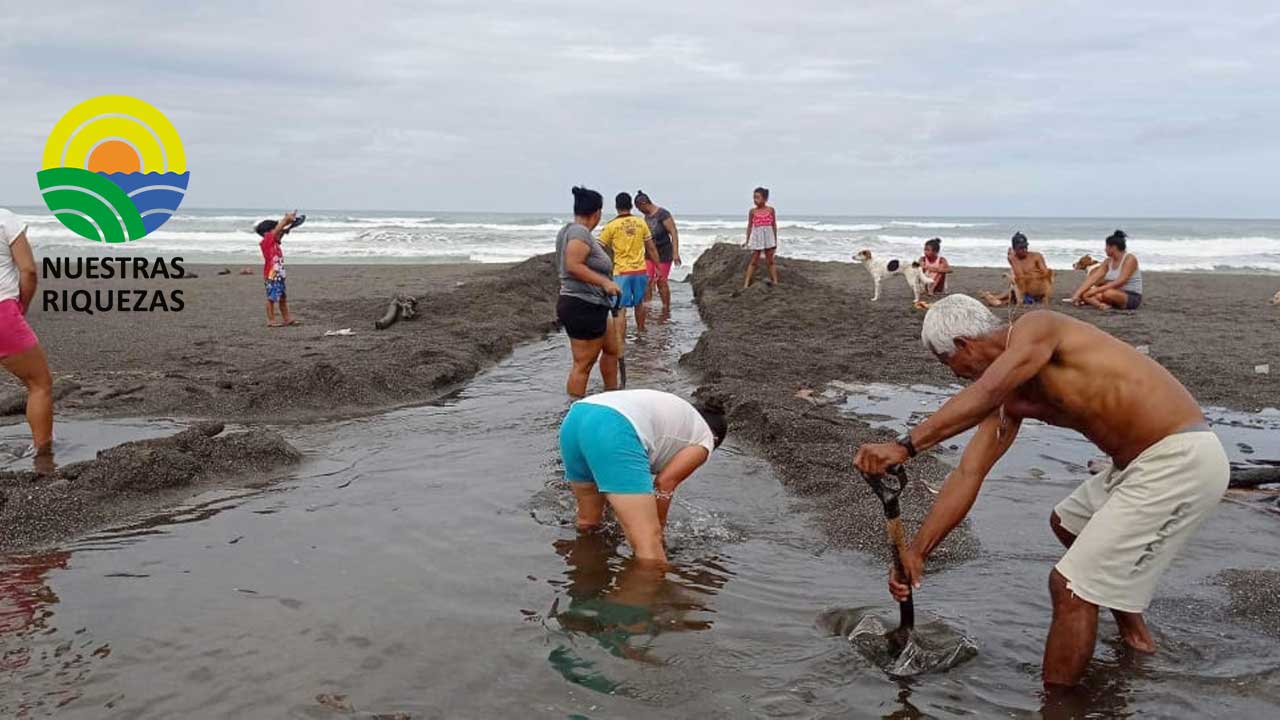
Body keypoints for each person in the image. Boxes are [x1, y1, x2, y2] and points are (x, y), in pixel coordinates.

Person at [853, 295, 1228, 688]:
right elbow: (969, 472)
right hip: (1135, 467)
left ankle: (1060, 705)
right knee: (1068, 523)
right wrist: (917, 552)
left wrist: (904, 446)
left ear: (965, 345)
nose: (957, 376)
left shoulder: (1038, 327)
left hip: (1182, 458)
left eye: (949, 364)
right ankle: (1137, 638)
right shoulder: (1010, 400)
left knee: (1069, 587)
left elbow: (983, 392)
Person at [558, 389, 727, 563]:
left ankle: (585, 579)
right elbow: (664, 484)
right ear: (715, 439)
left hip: (577, 417)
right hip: (615, 426)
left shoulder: (681, 416)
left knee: (589, 524)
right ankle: (650, 587)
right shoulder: (705, 439)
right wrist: (658, 531)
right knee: (649, 548)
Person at [0, 209, 54, 474]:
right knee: (39, 384)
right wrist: (21, 307)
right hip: (1, 312)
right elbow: (29, 272)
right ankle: (42, 458)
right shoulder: (5, 219)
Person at [556, 186, 622, 398]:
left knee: (612, 349)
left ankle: (612, 397)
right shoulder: (579, 232)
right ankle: (574, 413)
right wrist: (605, 282)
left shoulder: (570, 231)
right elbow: (573, 265)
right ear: (597, 213)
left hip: (596, 305)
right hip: (581, 305)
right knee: (583, 365)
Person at [599, 192, 660, 339]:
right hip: (640, 270)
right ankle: (641, 333)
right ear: (631, 206)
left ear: (616, 206)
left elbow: (599, 248)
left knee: (620, 309)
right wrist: (657, 266)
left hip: (621, 272)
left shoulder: (611, 226)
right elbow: (651, 247)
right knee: (640, 304)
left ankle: (621, 340)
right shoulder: (640, 222)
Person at [1066, 230, 1142, 310]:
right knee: (1085, 294)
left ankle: (1103, 302)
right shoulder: (1108, 261)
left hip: (1130, 296)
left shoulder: (1130, 259)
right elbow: (1093, 278)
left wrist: (1096, 290)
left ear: (1113, 247)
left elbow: (1120, 282)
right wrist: (1077, 294)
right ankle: (1102, 305)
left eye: (1106, 247)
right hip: (1112, 291)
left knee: (1108, 294)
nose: (1105, 249)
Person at [633, 191, 680, 310]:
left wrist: (675, 253)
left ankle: (666, 307)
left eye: (639, 208)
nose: (639, 211)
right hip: (649, 254)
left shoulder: (663, 214)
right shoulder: (646, 216)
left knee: (661, 281)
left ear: (644, 203)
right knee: (647, 280)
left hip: (664, 253)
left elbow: (673, 232)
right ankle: (647, 307)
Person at [255, 211, 302, 327]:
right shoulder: (266, 242)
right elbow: (278, 230)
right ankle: (270, 320)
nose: (279, 232)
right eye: (276, 229)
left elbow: (280, 231)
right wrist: (286, 219)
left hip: (279, 275)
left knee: (282, 298)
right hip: (271, 276)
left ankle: (287, 319)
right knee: (272, 298)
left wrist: (288, 226)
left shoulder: (275, 243)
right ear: (268, 233)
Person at [984, 232, 1053, 306]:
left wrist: (1032, 276)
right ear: (1014, 249)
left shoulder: (1036, 256)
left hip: (1038, 289)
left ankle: (993, 297)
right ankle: (995, 298)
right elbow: (1018, 275)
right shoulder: (1013, 259)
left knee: (1016, 283)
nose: (1024, 250)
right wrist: (1013, 260)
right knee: (1016, 284)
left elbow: (1046, 274)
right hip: (1023, 290)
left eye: (1025, 247)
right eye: (1020, 248)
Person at [742, 187, 778, 289]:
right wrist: (747, 240)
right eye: (754, 197)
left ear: (765, 199)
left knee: (770, 260)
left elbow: (774, 225)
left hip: (768, 237)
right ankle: (746, 284)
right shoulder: (752, 211)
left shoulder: (771, 210)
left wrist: (775, 240)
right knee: (754, 261)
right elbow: (749, 226)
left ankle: (775, 281)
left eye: (757, 197)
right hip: (757, 238)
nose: (755, 200)